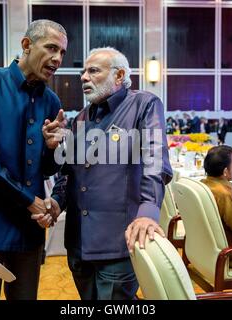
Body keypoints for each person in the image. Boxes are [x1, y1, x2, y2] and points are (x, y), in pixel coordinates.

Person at [46, 47, 172, 300]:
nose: (83, 77)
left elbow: (155, 161)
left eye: (93, 71)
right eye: (83, 72)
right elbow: (69, 172)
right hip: (78, 243)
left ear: (119, 75)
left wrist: (148, 212)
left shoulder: (143, 104)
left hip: (117, 242)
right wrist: (57, 202)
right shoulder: (80, 118)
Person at [0, 19, 68, 300]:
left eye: (62, 53)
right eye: (52, 48)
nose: (57, 59)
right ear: (26, 45)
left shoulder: (52, 102)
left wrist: (53, 149)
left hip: (29, 231)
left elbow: (48, 169)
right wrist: (27, 199)